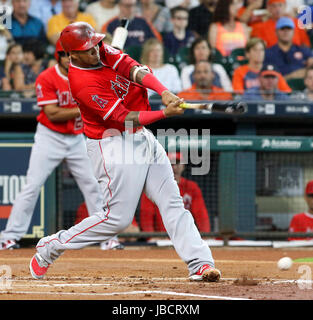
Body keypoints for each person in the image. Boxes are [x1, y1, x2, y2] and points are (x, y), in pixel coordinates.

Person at [29, 22, 221, 283]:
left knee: (172, 201)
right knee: (116, 220)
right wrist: (165, 113)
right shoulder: (82, 84)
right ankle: (50, 247)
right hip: (112, 143)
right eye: (88, 48)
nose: (96, 50)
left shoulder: (102, 50)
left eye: (96, 43)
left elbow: (135, 70)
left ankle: (200, 263)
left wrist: (163, 92)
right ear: (72, 55)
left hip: (141, 137)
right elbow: (125, 118)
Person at [0, 38, 104, 250]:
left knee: (92, 185)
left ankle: (106, 236)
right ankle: (9, 236)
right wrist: (85, 107)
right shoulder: (46, 77)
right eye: (66, 54)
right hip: (50, 136)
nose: (70, 58)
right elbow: (52, 113)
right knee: (32, 185)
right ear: (59, 56)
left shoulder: (87, 75)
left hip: (76, 138)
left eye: (73, 53)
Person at [140, 152, 211, 234]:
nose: (173, 167)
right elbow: (146, 216)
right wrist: (151, 237)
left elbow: (201, 215)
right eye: (170, 164)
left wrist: (206, 235)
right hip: (162, 238)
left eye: (177, 163)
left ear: (183, 165)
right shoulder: (153, 188)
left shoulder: (192, 187)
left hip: (186, 237)